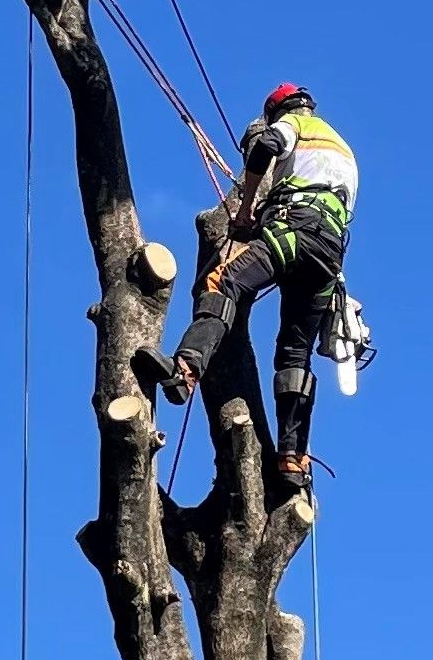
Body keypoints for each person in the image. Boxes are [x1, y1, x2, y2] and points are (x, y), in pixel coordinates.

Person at [135, 83, 359, 490]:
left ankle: (185, 368)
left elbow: (265, 147)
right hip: (328, 254)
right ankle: (292, 459)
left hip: (296, 230)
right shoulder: (342, 148)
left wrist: (247, 208)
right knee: (295, 355)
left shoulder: (296, 124)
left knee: (223, 282)